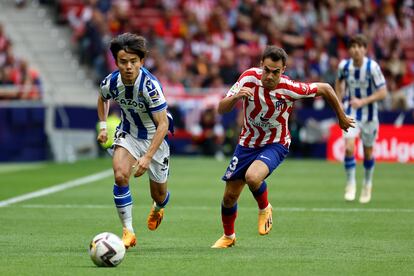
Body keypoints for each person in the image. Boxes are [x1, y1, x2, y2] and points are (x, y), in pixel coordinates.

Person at [211, 45, 354, 248]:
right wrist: (235, 97)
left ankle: (265, 207)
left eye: (275, 72)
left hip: (275, 143)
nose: (270, 76)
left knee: (253, 177)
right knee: (229, 197)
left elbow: (326, 89)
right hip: (247, 143)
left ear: (283, 70)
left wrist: (341, 117)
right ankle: (229, 237)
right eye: (267, 70)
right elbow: (221, 109)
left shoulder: (290, 88)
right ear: (261, 65)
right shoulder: (248, 78)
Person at [97, 33, 173, 249]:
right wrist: (103, 126)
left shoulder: (150, 86)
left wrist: (147, 157)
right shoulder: (112, 81)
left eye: (133, 61)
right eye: (123, 61)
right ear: (116, 62)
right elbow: (102, 98)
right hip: (128, 133)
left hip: (154, 139)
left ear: (142, 61)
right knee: (120, 175)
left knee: (159, 195)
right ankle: (128, 231)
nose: (128, 66)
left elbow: (163, 125)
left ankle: (159, 207)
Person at [335, 34, 387, 204]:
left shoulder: (373, 67)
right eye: (353, 46)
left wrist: (363, 101)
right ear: (349, 49)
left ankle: (367, 184)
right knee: (349, 149)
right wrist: (339, 102)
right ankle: (350, 184)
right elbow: (339, 82)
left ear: (365, 49)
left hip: (370, 115)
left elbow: (383, 92)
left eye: (359, 46)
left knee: (368, 152)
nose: (356, 50)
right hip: (351, 113)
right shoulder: (344, 66)